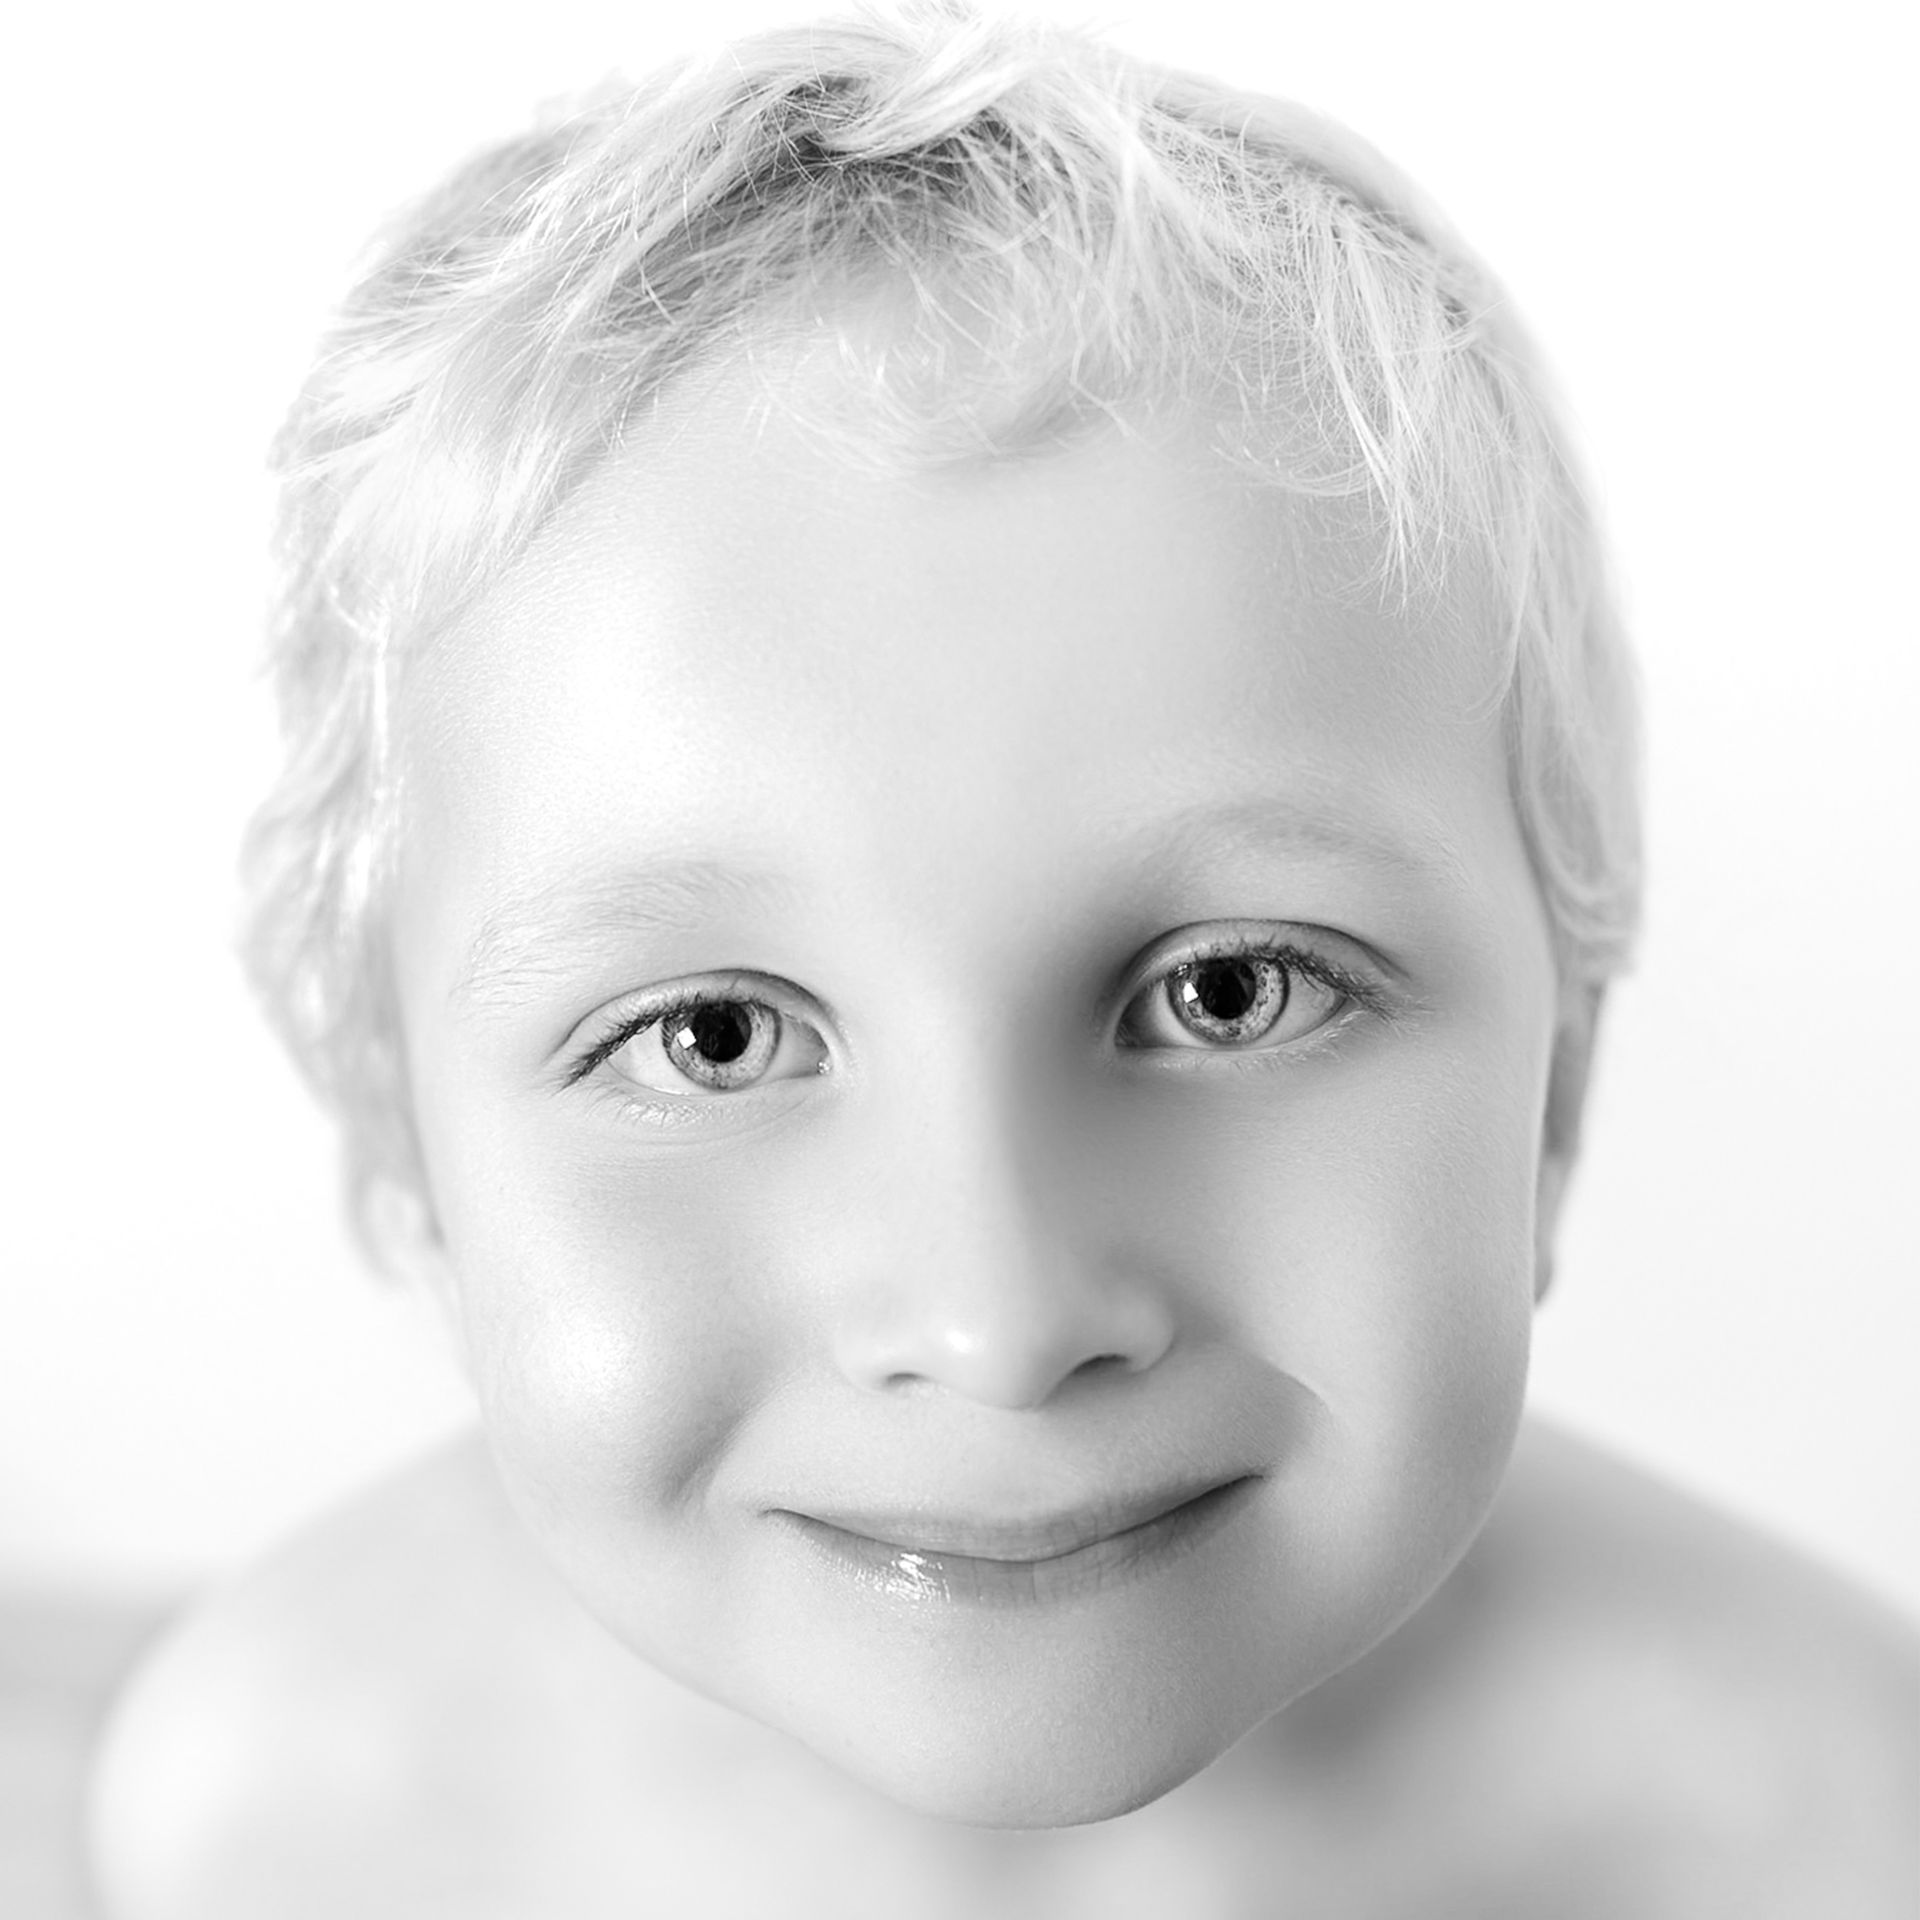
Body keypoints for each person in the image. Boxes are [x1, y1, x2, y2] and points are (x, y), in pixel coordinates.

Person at [86, 3, 1918, 1913]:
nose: (999, 1316)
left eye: (1231, 990)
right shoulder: (293, 1818)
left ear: (1562, 1086)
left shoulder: (1820, 1826)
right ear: (398, 1138)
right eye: (712, 1035)